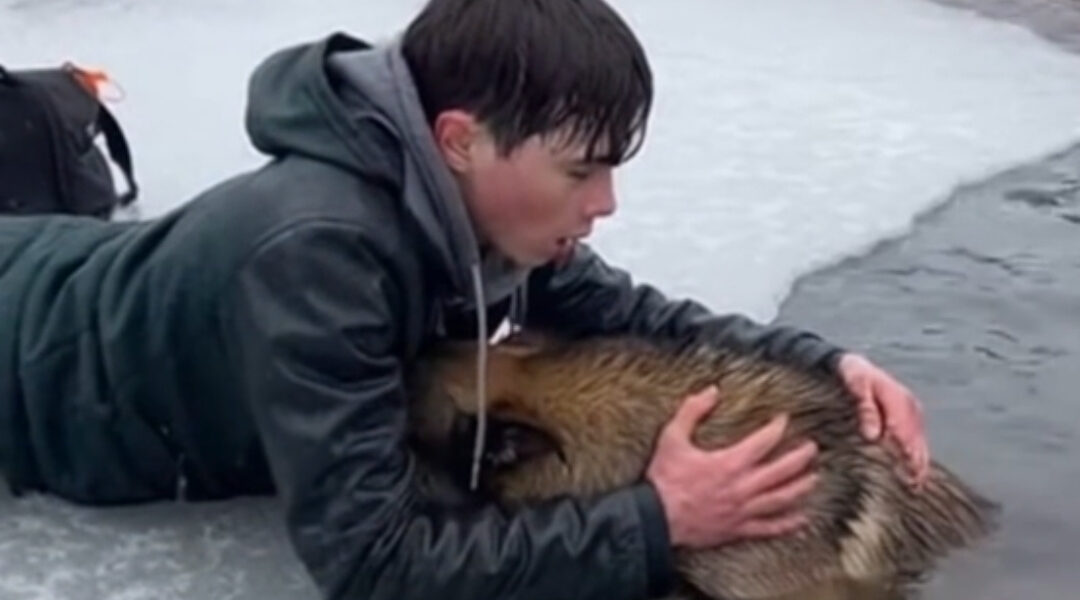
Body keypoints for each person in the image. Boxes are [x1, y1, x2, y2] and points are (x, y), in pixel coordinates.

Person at [0, 0, 930, 598]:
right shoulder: (318, 258)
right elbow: (376, 563)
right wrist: (657, 522)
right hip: (27, 375)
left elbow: (631, 312)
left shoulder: (472, 209)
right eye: (582, 170)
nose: (606, 203)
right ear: (460, 140)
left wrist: (827, 363)